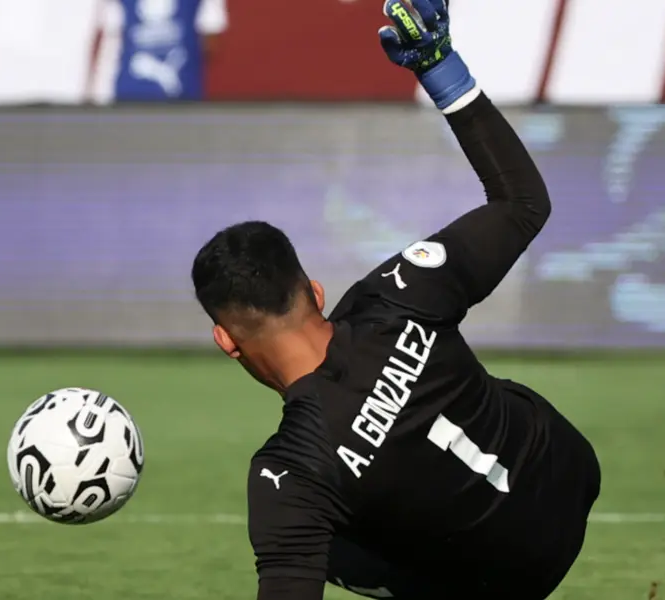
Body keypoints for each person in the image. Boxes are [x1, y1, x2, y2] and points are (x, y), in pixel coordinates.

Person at [189, 1, 601, 598]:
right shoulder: (397, 295)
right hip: (566, 474)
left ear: (225, 340)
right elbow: (522, 202)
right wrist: (439, 65)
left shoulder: (289, 472)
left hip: (508, 581)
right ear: (314, 291)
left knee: (317, 541)